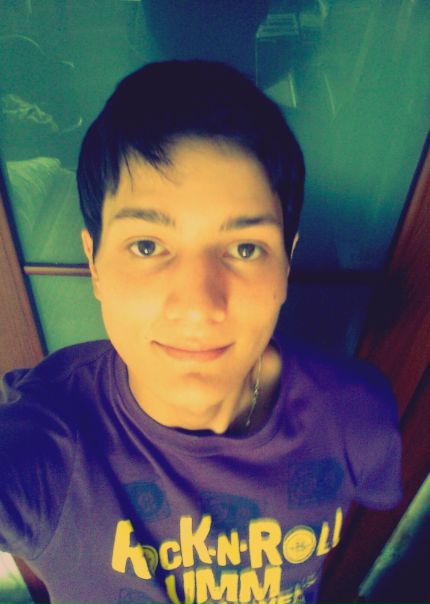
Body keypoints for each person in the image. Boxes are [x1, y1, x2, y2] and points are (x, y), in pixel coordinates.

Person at [0, 60, 401, 604]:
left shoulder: (356, 415)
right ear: (94, 263)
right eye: (147, 246)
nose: (197, 307)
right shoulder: (48, 442)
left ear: (286, 261)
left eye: (245, 248)